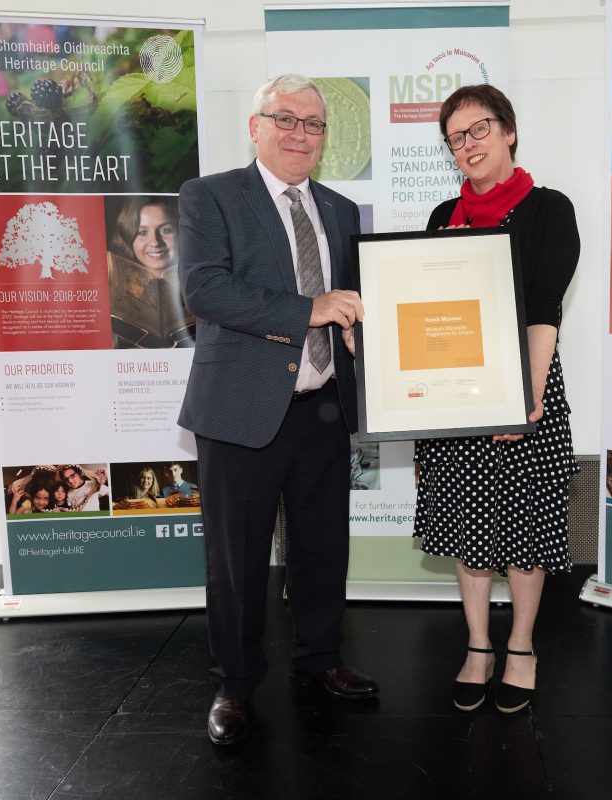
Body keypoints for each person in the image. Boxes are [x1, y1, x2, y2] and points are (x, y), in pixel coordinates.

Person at [177, 74, 376, 746]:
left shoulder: (341, 209)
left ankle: (320, 660)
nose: (300, 133)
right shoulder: (210, 196)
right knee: (237, 560)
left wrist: (360, 329)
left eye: (313, 123)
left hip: (323, 407)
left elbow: (350, 300)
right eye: (285, 118)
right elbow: (205, 290)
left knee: (322, 548)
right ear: (255, 126)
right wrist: (309, 310)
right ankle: (234, 685)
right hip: (240, 410)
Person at [413, 84, 581, 715]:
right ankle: (478, 646)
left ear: (508, 131)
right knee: (468, 527)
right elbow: (425, 316)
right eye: (455, 137)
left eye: (479, 129)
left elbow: (543, 310)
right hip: (453, 396)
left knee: (525, 529)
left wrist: (524, 400)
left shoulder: (549, 209)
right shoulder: (441, 217)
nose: (468, 144)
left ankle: (522, 648)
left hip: (526, 387)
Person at [109, 197, 196, 348]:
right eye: (142, 232)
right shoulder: (111, 289)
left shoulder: (200, 283)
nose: (155, 242)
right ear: (128, 235)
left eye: (165, 230)